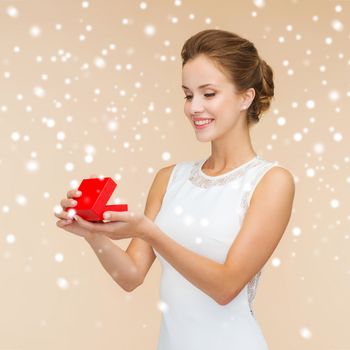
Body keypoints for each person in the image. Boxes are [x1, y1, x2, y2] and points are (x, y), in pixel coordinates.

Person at [55, 29, 295, 350]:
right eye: (188, 94)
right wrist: (92, 233)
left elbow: (226, 287)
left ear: (245, 97)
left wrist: (151, 233)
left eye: (208, 94)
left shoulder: (271, 181)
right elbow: (131, 276)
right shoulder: (170, 178)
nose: (194, 107)